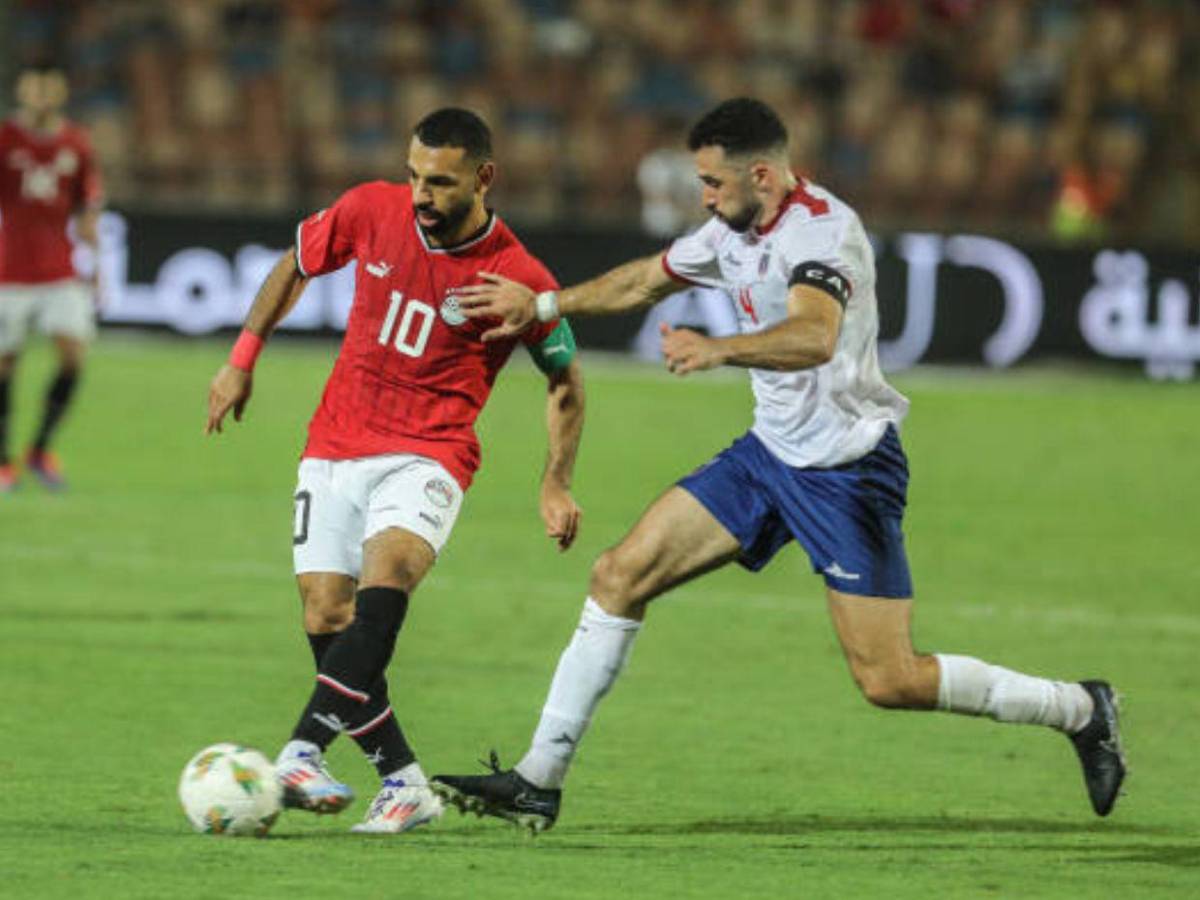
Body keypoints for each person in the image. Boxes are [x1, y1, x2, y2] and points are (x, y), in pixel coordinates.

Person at [430, 98, 1126, 832]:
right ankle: (538, 780)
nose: (704, 197)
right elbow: (646, 280)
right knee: (617, 576)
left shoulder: (824, 233)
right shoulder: (733, 230)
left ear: (760, 174)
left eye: (712, 182)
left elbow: (814, 336)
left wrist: (719, 349)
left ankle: (1081, 708)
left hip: (846, 471)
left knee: (889, 679)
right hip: (768, 457)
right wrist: (544, 306)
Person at [204, 108, 586, 835]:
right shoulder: (369, 209)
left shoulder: (519, 277)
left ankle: (301, 752)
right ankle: (403, 783)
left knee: (388, 583)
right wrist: (241, 359)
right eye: (414, 176)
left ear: (484, 178)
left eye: (439, 182)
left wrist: (555, 480)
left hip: (429, 451)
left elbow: (565, 379)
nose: (420, 195)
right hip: (335, 441)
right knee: (326, 615)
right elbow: (295, 263)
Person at [0, 60, 104, 492]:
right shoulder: (5, 139)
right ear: (22, 92)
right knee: (5, 364)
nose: (41, 97)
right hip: (9, 272)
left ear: (60, 93)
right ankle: (3, 462)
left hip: (59, 270)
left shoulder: (76, 143)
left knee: (73, 356)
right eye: (34, 88)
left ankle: (40, 449)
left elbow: (88, 205)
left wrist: (97, 266)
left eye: (48, 89)